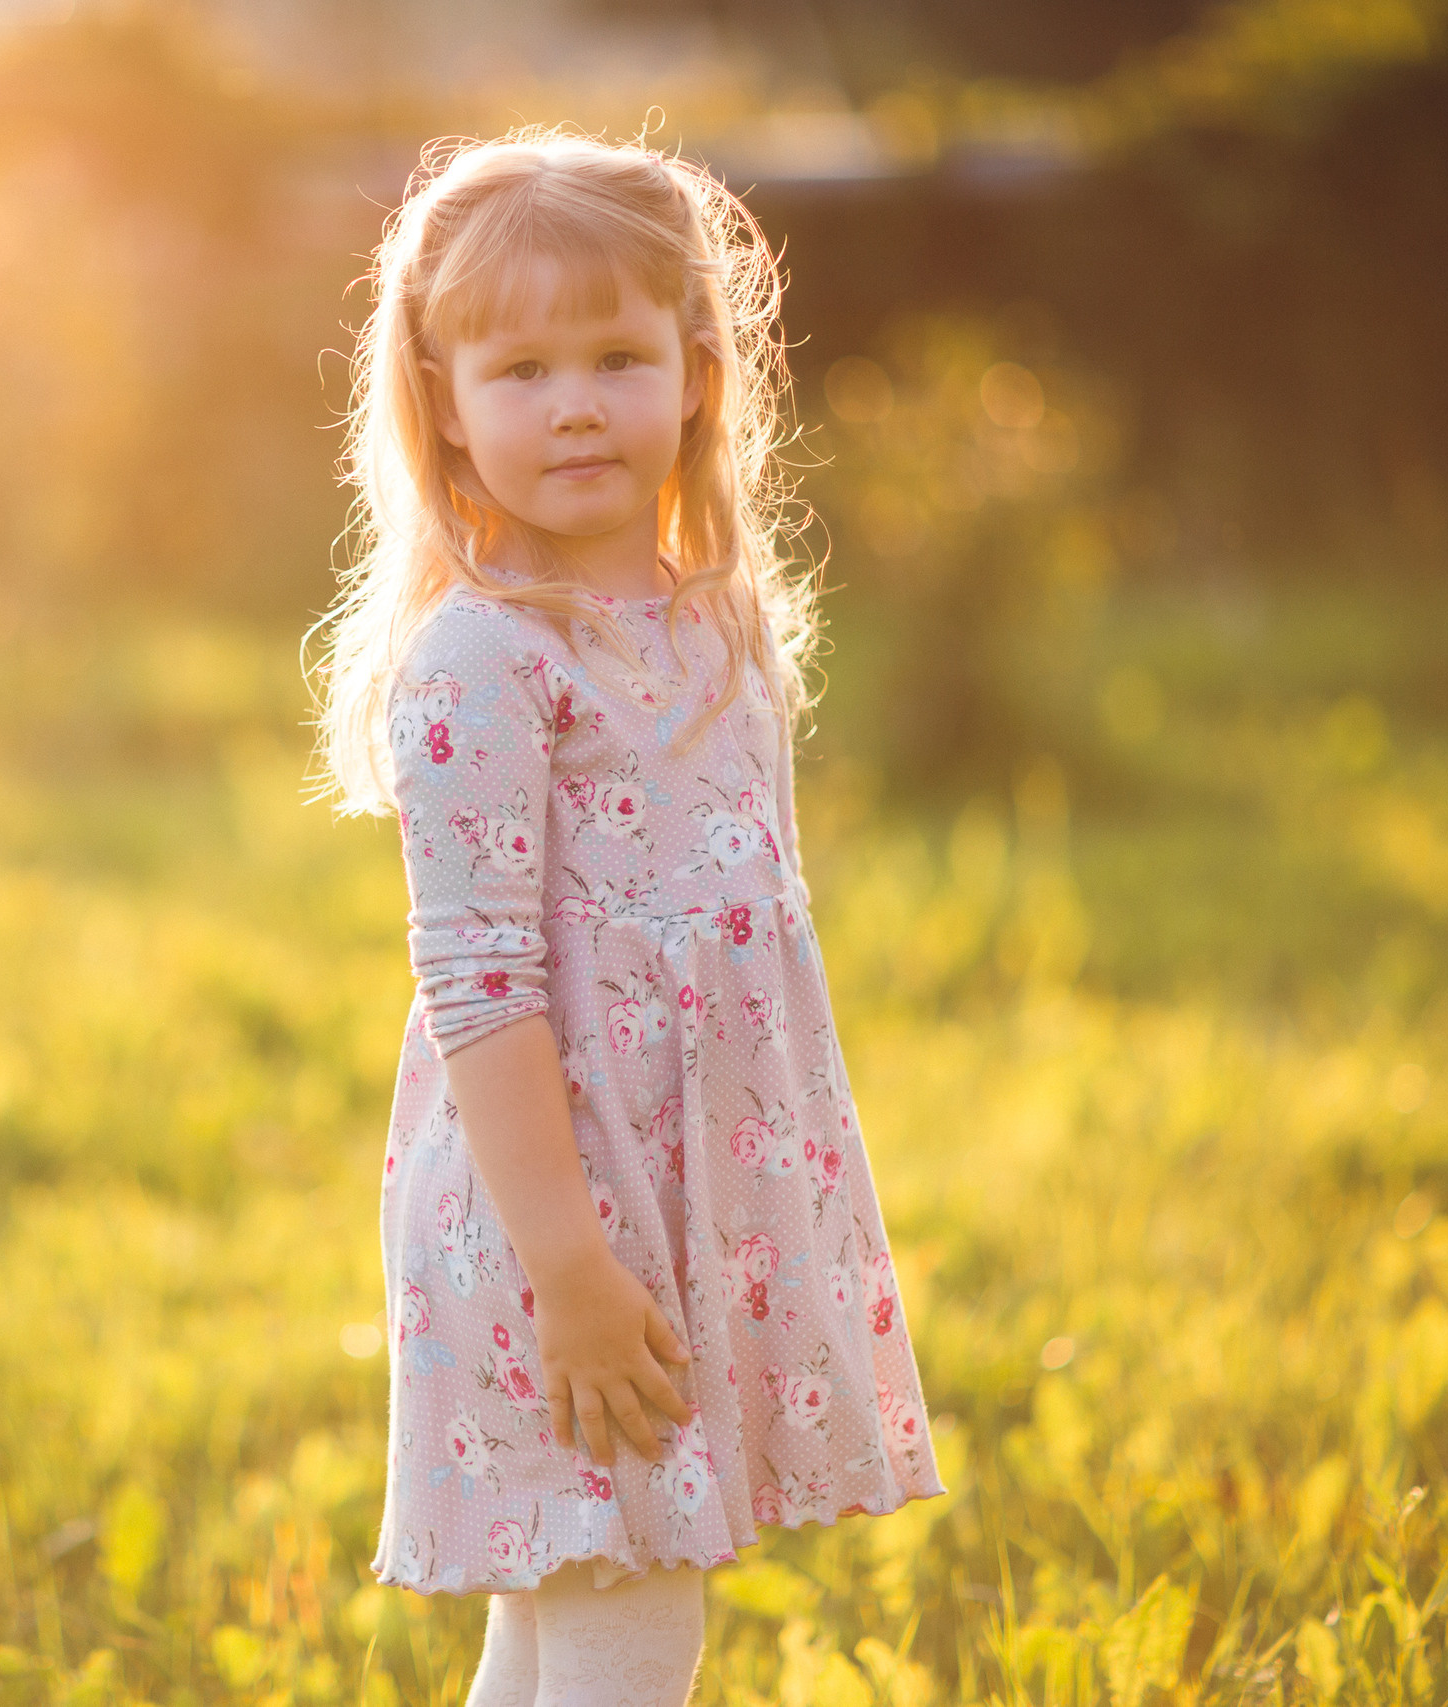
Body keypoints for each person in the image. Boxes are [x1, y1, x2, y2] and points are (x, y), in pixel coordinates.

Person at [309, 128, 948, 1705]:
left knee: (567, 1604)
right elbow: (479, 982)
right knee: (622, 1605)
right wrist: (572, 1273)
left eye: (617, 354)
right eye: (521, 368)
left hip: (697, 1193)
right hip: (563, 1218)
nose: (578, 401)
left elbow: (756, 939)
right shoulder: (484, 660)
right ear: (443, 404)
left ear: (698, 375)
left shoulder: (717, 624)